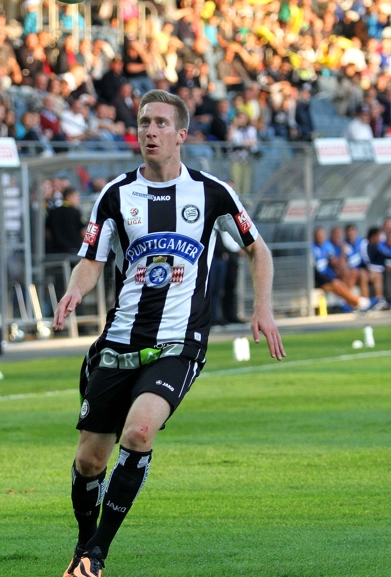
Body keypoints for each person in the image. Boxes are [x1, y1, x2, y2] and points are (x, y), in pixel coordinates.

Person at [53, 89, 285, 577]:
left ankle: (97, 554)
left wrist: (263, 309)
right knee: (90, 461)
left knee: (138, 432)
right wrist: (75, 290)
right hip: (119, 341)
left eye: (160, 123)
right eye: (143, 122)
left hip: (180, 342)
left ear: (181, 135)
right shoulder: (115, 194)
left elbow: (258, 249)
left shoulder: (212, 192)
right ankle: (82, 542)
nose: (150, 131)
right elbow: (92, 261)